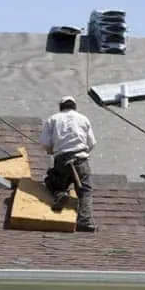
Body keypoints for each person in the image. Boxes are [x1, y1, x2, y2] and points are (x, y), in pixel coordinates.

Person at [40, 95, 97, 232]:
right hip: (81, 159)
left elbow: (45, 143)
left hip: (62, 160)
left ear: (61, 107)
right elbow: (92, 143)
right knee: (85, 190)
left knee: (52, 180)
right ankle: (85, 221)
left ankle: (60, 194)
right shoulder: (83, 119)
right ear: (74, 106)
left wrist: (51, 150)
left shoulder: (53, 119)